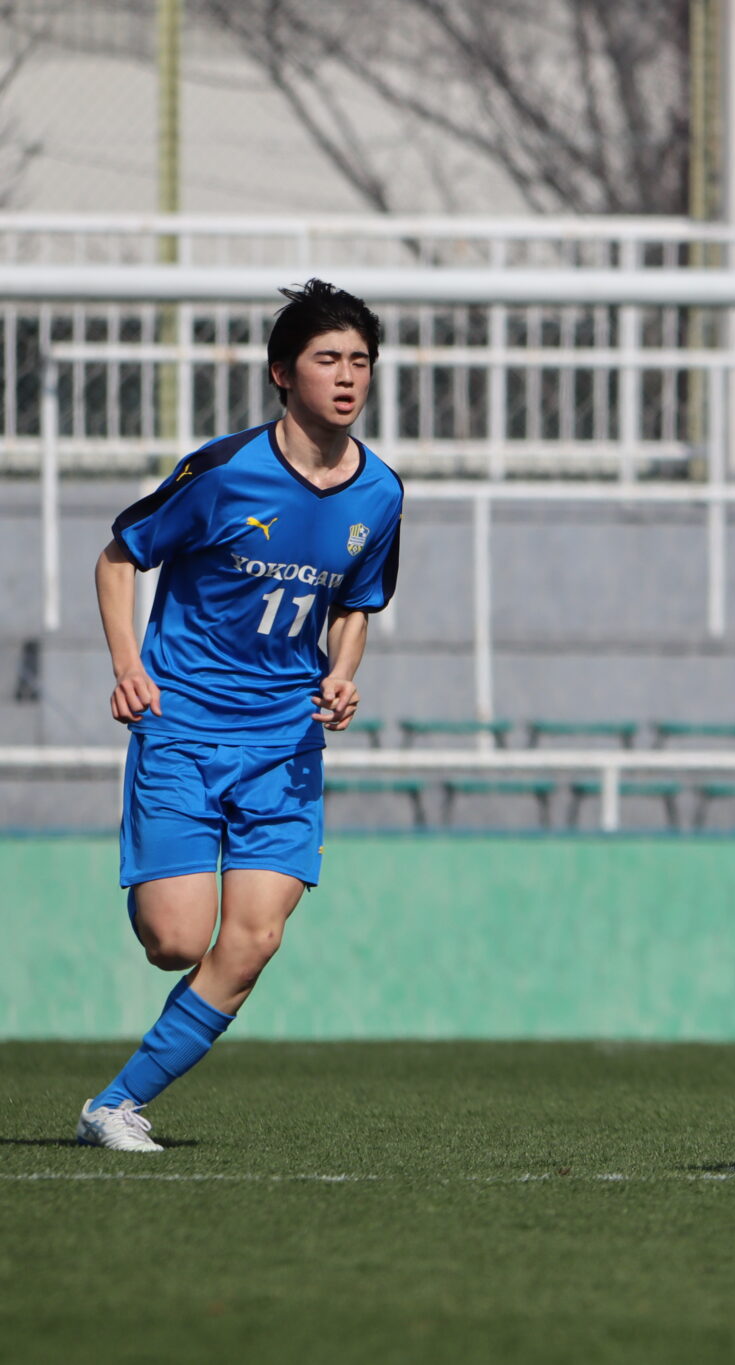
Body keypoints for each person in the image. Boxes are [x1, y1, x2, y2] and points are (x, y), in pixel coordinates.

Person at [75, 279, 403, 1153]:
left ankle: (116, 1104)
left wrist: (343, 673)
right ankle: (160, 878)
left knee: (254, 939)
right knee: (176, 940)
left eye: (360, 360)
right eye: (328, 359)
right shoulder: (224, 472)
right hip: (183, 726)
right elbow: (119, 557)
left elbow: (356, 602)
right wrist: (128, 665)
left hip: (285, 744)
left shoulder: (380, 493)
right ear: (282, 373)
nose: (348, 376)